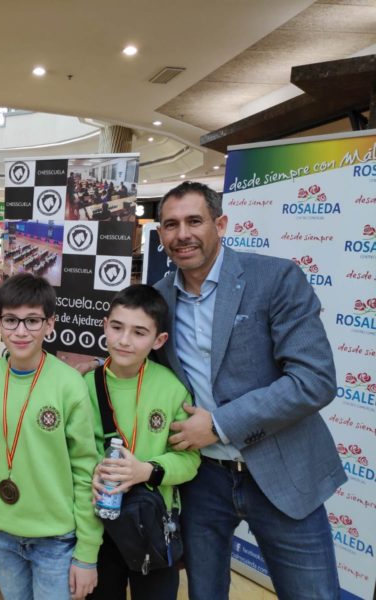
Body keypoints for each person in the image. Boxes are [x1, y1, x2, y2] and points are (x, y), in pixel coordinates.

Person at [154, 181, 345, 599]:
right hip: (201, 479)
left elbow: (314, 380)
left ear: (220, 224)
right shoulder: (158, 300)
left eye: (194, 221)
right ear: (161, 234)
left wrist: (221, 425)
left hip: (281, 471)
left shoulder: (274, 278)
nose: (182, 233)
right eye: (170, 224)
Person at [0, 273, 102, 600]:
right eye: (11, 320)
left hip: (56, 540)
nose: (21, 331)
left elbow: (87, 473)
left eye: (32, 321)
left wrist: (87, 552)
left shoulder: (69, 385)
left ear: (50, 325)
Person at [87, 284, 199, 600]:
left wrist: (147, 470)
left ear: (158, 340)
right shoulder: (83, 386)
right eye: (117, 327)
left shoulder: (173, 389)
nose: (124, 340)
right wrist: (93, 470)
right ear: (105, 325)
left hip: (153, 526)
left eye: (139, 332)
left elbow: (190, 460)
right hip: (99, 526)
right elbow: (72, 453)